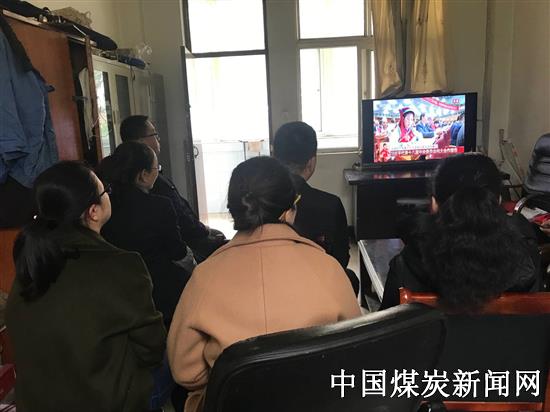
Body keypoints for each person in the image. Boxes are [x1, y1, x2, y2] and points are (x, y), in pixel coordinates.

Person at [167, 156, 361, 412]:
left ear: (235, 212)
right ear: (290, 210)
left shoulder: (204, 277)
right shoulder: (329, 268)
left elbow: (186, 371)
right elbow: (355, 353)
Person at [6, 161, 166, 411]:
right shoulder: (121, 265)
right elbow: (152, 348)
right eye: (105, 191)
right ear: (93, 211)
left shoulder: (31, 266)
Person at [380, 153, 541, 311]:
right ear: (498, 200)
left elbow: (386, 324)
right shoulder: (528, 256)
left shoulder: (407, 263)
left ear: (434, 205)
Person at [100, 141, 190, 328]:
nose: (158, 172)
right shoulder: (160, 205)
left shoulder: (105, 207)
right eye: (156, 168)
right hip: (160, 291)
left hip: (117, 291)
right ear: (143, 175)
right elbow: (178, 252)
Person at [120, 115, 227, 262]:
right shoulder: (150, 183)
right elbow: (181, 222)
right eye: (154, 134)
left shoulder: (145, 177)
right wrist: (203, 230)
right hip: (186, 244)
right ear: (140, 141)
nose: (158, 139)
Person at [272, 121, 359, 295]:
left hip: (270, 287)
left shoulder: (260, 202)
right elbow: (340, 259)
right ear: (311, 162)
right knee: (350, 278)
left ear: (274, 156)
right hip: (318, 291)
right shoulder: (330, 204)